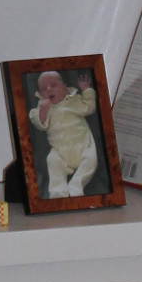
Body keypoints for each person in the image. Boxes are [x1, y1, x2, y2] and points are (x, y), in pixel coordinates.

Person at [31, 66, 99, 196]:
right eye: (44, 89)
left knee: (91, 161)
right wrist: (43, 111)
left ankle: (76, 185)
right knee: (52, 161)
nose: (49, 89)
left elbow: (90, 108)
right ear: (40, 94)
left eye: (53, 85)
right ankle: (58, 192)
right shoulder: (41, 109)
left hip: (83, 145)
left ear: (65, 87)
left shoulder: (75, 101)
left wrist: (87, 90)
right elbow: (40, 125)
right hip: (60, 151)